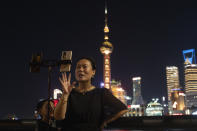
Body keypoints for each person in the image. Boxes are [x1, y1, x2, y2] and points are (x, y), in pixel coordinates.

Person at [54, 57, 128, 131]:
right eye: (78, 67)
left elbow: (123, 109)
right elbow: (58, 117)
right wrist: (65, 95)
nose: (80, 69)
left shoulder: (101, 93)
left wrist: (106, 121)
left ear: (93, 72)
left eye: (84, 67)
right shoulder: (69, 93)